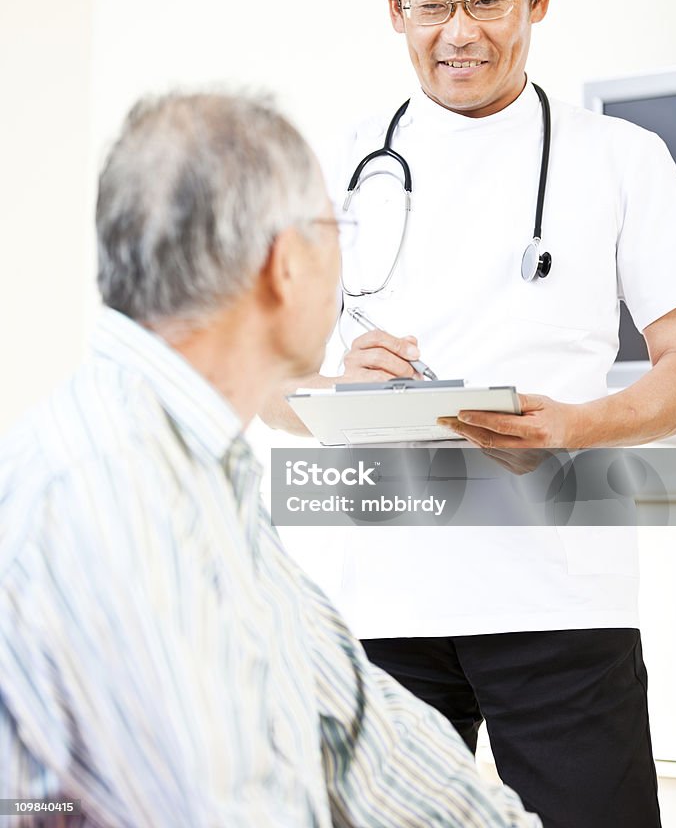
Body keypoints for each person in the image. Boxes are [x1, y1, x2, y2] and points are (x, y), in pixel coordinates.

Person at [262, 0, 676, 828]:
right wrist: (329, 386)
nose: (459, 31)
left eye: (486, 1)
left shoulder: (620, 160)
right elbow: (263, 385)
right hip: (377, 602)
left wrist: (577, 426)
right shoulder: (338, 163)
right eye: (431, 5)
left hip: (559, 598)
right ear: (394, 11)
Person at [0, 91, 541, 827]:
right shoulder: (108, 490)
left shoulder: (201, 468)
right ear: (284, 264)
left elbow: (359, 731)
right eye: (336, 228)